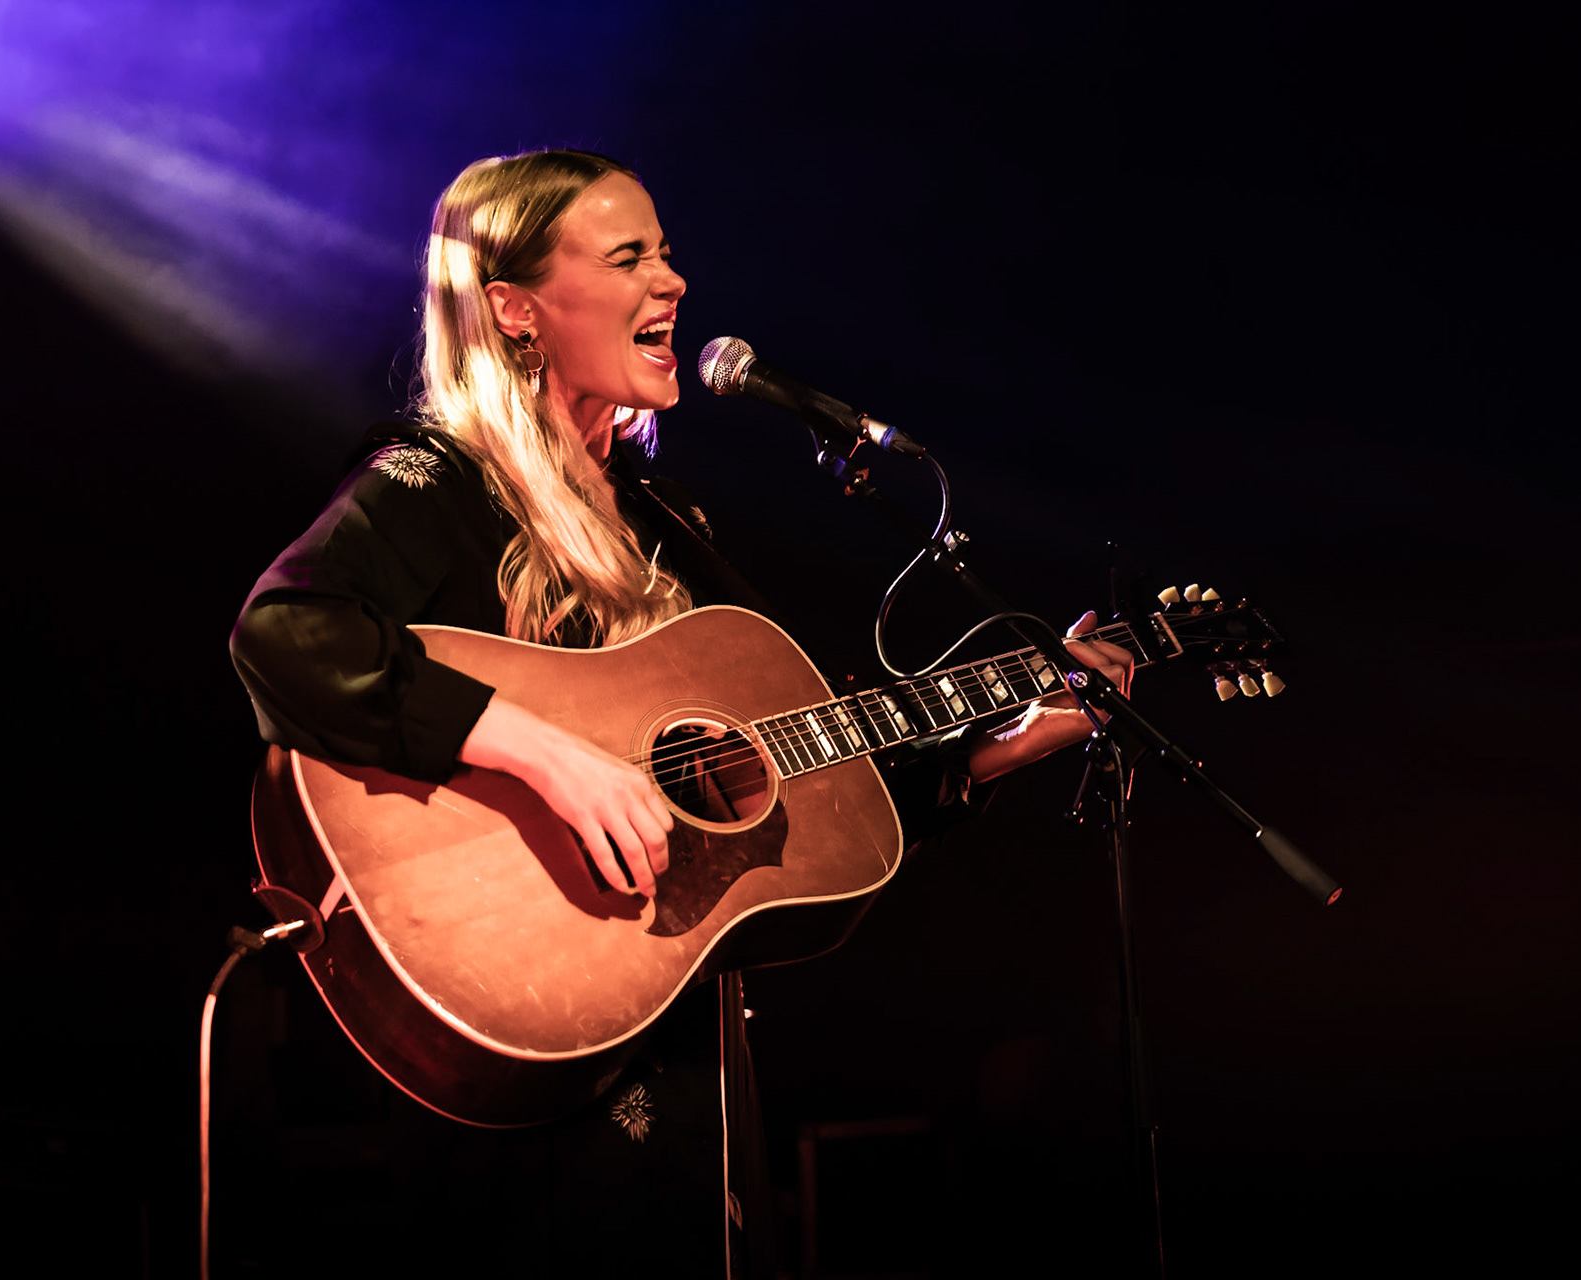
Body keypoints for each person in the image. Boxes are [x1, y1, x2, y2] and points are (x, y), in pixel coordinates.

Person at [230, 148, 1132, 1277]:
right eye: (629, 258)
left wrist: (1008, 743)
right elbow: (290, 632)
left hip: (678, 1037)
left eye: (665, 253)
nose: (674, 284)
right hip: (517, 1015)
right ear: (514, 308)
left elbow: (793, 770)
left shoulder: (665, 523)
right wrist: (550, 755)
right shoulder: (441, 480)